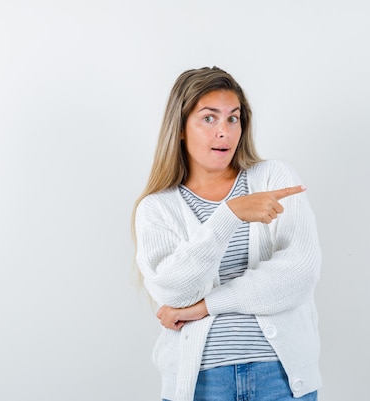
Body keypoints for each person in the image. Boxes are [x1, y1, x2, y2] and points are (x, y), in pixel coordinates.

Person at [132, 66, 322, 401]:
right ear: (180, 128)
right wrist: (229, 215)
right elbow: (172, 292)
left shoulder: (272, 179)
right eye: (209, 118)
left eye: (233, 118)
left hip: (279, 377)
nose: (224, 132)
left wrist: (205, 306)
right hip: (201, 385)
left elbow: (299, 274)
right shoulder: (157, 207)